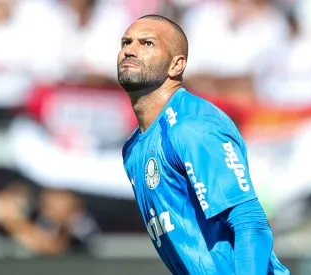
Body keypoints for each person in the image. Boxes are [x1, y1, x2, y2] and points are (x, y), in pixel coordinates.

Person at [118, 14, 290, 274]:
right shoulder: (134, 149)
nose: (130, 50)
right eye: (126, 42)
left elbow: (251, 224)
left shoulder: (192, 125)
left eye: (147, 43)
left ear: (176, 66)